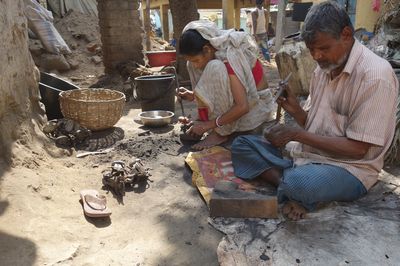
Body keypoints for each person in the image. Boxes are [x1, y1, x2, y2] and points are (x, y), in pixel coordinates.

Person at [231, 1, 398, 220]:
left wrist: (296, 134)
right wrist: (297, 111)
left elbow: (359, 149)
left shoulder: (375, 76)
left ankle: (294, 184)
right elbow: (317, 125)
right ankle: (290, 183)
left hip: (350, 169)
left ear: (346, 35)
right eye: (312, 50)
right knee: (241, 144)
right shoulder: (323, 70)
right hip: (307, 156)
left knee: (299, 183)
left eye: (323, 48)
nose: (317, 56)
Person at [177, 20, 275, 150]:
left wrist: (208, 126)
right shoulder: (211, 52)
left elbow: (243, 106)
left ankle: (220, 133)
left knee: (215, 67)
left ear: (207, 49)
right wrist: (194, 96)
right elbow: (221, 89)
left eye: (197, 60)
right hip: (239, 101)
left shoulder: (229, 56)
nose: (196, 65)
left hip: (256, 107)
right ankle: (206, 120)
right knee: (193, 66)